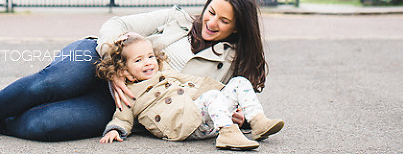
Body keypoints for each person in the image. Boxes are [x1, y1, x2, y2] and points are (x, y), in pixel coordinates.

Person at [0, 0, 282, 142]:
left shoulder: (231, 65)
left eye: (223, 21)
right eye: (211, 11)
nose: (210, 22)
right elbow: (118, 25)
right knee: (54, 84)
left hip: (130, 104)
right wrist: (114, 68)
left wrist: (239, 118)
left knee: (46, 126)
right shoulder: (175, 18)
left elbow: (225, 100)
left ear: (237, 29)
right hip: (97, 56)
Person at [96, 33, 283, 150]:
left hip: (201, 114)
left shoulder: (165, 72)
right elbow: (122, 116)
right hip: (182, 125)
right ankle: (227, 134)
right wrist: (115, 130)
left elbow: (193, 82)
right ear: (124, 70)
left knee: (239, 82)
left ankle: (258, 122)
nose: (147, 62)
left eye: (150, 56)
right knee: (211, 97)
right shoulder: (130, 92)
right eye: (138, 60)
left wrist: (227, 92)